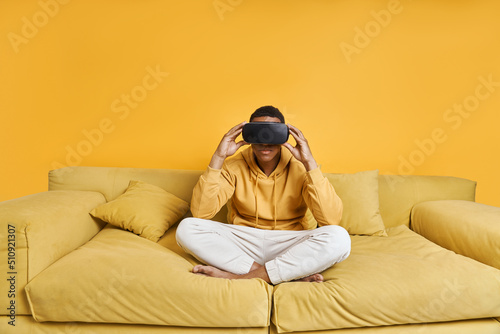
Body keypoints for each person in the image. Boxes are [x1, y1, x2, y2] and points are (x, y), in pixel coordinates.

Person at [176, 106, 350, 284]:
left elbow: (331, 220)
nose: (265, 141)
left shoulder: (301, 166)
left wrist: (309, 162)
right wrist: (219, 157)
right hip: (244, 240)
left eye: (272, 133)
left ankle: (236, 277)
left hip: (289, 242)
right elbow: (201, 213)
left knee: (339, 237)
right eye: (258, 133)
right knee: (187, 228)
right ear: (248, 135)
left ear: (284, 135)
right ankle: (285, 274)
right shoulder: (234, 165)